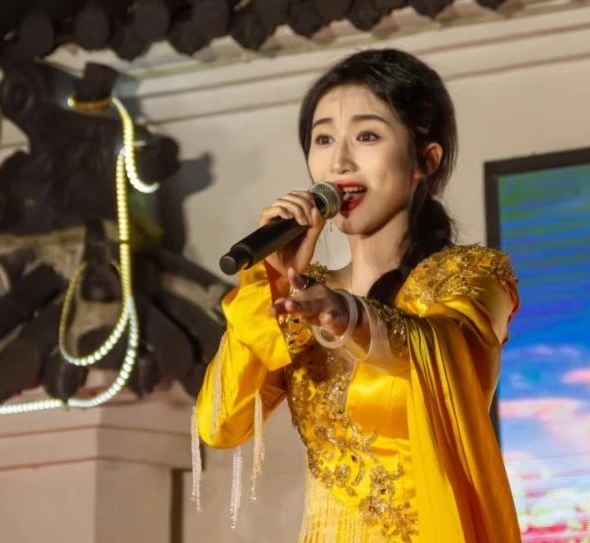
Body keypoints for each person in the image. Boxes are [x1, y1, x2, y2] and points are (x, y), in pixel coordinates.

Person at [195, 48, 520, 542]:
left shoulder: (470, 277)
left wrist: (350, 316)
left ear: (426, 160)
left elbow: (445, 345)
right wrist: (269, 283)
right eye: (323, 139)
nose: (339, 161)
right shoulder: (302, 294)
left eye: (367, 136)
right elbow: (220, 424)